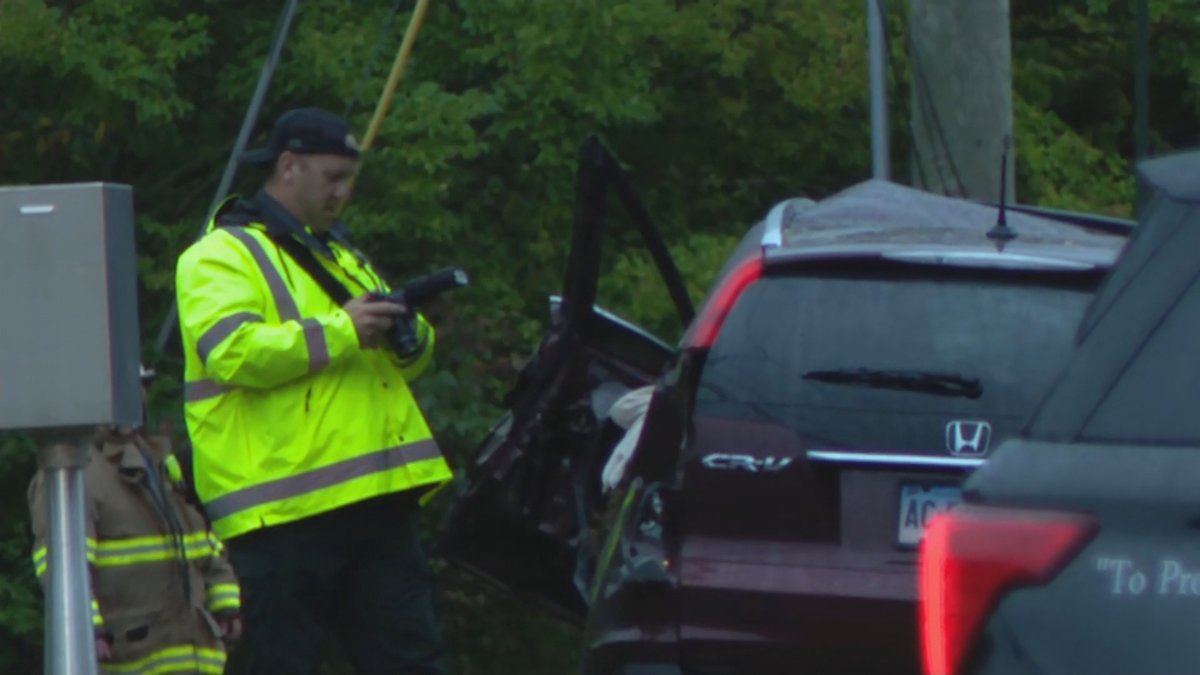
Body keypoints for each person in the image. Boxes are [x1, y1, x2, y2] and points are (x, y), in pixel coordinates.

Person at [174, 107, 452, 674]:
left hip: (375, 501)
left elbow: (407, 358)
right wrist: (346, 330)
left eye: (350, 180)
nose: (343, 194)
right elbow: (232, 352)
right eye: (333, 177)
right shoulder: (220, 255)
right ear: (289, 166)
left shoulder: (342, 256)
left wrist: (407, 335)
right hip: (282, 514)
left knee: (412, 661)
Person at [28, 365, 241, 674]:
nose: (136, 397)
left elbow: (203, 542)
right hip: (129, 657)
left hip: (192, 653)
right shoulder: (75, 475)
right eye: (125, 388)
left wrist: (225, 603)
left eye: (139, 387)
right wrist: (88, 631)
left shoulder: (157, 461)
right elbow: (63, 567)